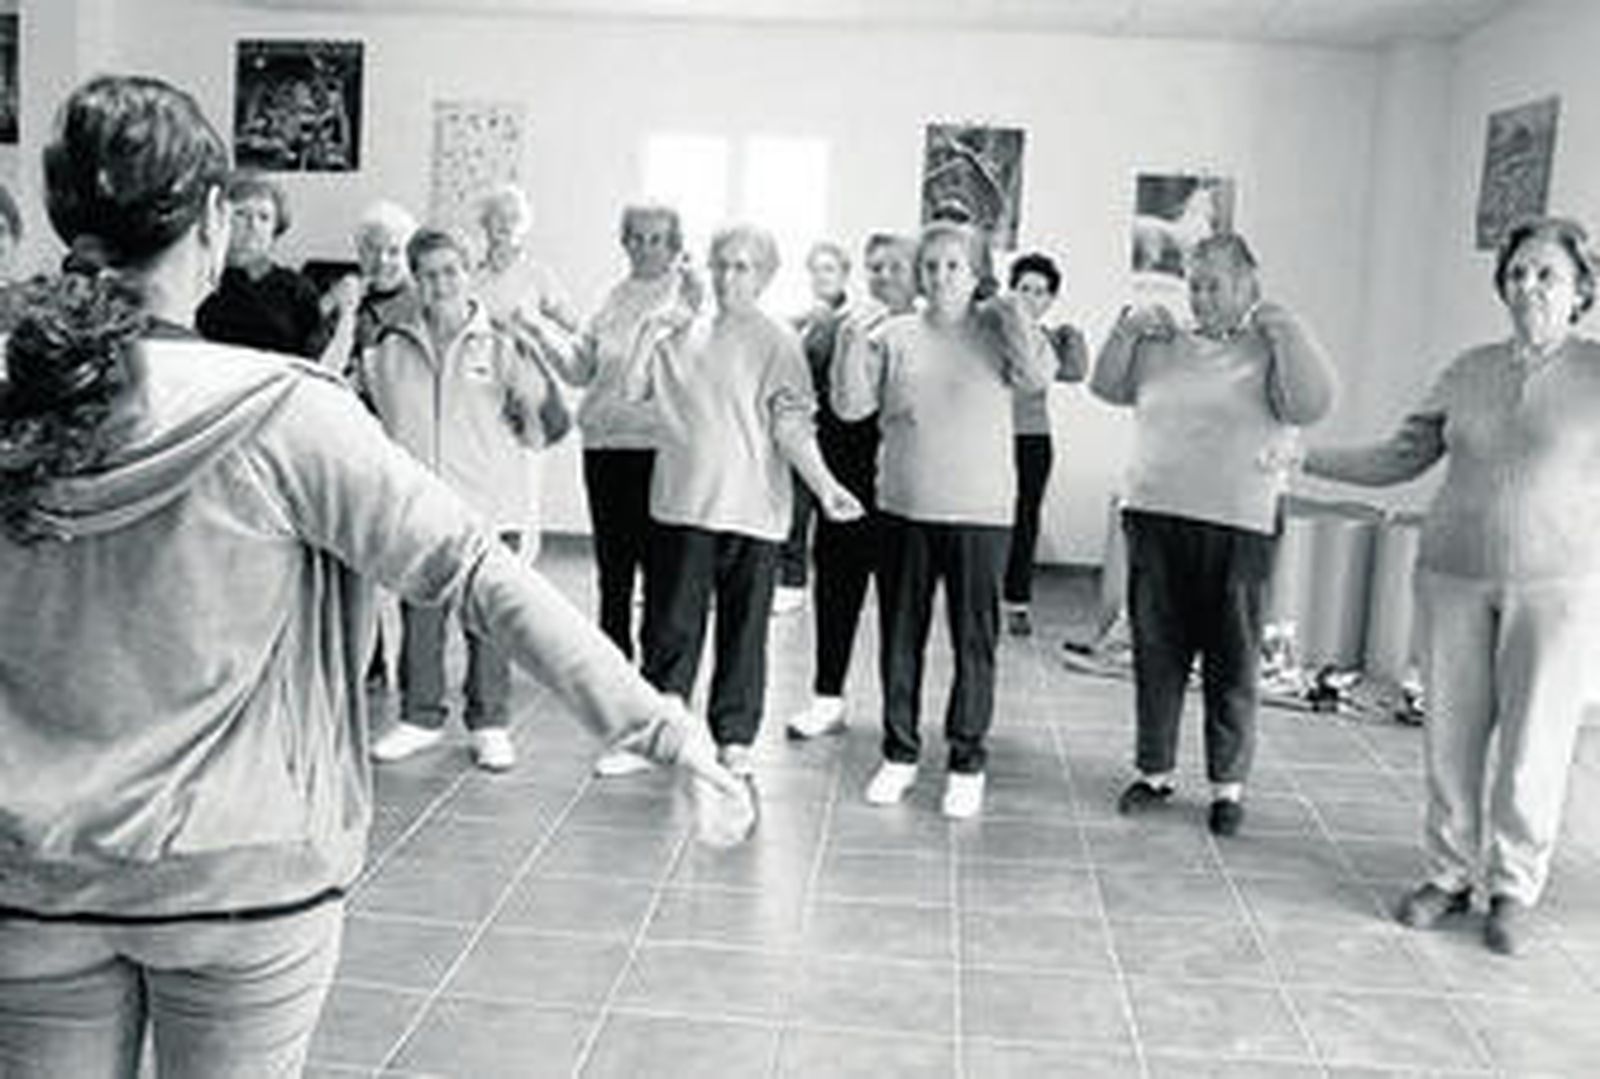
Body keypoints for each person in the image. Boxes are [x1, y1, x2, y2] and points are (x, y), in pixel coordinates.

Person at [0, 74, 744, 1079]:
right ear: (217, 219)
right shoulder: (286, 410)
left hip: (30, 882)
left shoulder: (17, 401)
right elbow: (478, 572)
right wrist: (659, 722)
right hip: (240, 880)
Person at [1303, 216, 1600, 955]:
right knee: (1450, 739)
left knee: (1536, 743)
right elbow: (1398, 457)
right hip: (1452, 576)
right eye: (1519, 272)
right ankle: (1447, 872)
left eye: (1548, 274)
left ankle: (1512, 886)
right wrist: (1306, 458)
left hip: (1556, 590)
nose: (1529, 285)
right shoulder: (1467, 370)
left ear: (1581, 291)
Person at [1091, 232, 1336, 837]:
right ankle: (1155, 773)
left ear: (1249, 285)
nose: (1201, 296)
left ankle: (1228, 787)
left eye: (1215, 284)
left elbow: (1311, 405)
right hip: (1155, 514)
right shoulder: (1161, 343)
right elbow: (1106, 386)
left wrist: (1289, 330)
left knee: (1232, 659)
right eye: (1194, 283)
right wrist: (1125, 331)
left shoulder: (1269, 346)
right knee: (1157, 652)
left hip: (1240, 525)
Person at [835, 221, 1052, 818]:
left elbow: (1036, 380)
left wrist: (1014, 314)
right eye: (930, 265)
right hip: (905, 508)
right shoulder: (895, 332)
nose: (939, 276)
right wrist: (854, 343)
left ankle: (967, 759)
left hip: (981, 515)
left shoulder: (1000, 329)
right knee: (900, 639)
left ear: (979, 272)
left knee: (973, 642)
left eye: (954, 265)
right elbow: (851, 407)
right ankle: (900, 753)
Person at [629, 224, 864, 777]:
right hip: (683, 505)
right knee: (670, 632)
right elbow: (633, 389)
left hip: (753, 511)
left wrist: (826, 486)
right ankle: (661, 734)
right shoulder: (681, 332)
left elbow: (792, 425)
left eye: (743, 267)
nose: (729, 276)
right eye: (722, 264)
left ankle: (733, 740)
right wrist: (652, 327)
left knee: (743, 631)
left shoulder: (778, 340)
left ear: (764, 276)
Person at [362, 227, 571, 774]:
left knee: (486, 621)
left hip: (485, 508)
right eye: (428, 273)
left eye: (451, 270)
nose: (441, 283)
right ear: (415, 279)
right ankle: (419, 718)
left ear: (468, 273)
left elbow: (549, 428)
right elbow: (361, 421)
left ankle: (490, 724)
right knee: (421, 615)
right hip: (417, 508)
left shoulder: (502, 345)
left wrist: (533, 398)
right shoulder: (387, 347)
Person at [561, 204, 702, 778]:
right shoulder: (613, 299)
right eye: (636, 238)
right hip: (604, 449)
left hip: (662, 451)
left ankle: (661, 701)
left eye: (657, 239)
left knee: (664, 575)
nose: (645, 248)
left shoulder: (688, 301)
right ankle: (617, 698)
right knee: (613, 574)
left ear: (674, 244)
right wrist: (538, 334)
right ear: (623, 243)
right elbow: (581, 370)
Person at [786, 232, 917, 740]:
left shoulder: (926, 331)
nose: (883, 276)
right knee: (836, 594)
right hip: (847, 482)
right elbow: (819, 402)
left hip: (906, 488)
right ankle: (827, 698)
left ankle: (898, 714)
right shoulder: (839, 326)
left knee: (901, 609)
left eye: (895, 267)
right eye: (875, 267)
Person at [471, 182, 580, 563]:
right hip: (481, 382)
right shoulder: (473, 275)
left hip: (525, 382)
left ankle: (523, 560)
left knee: (526, 472)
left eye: (513, 218)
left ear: (524, 225)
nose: (504, 225)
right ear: (484, 224)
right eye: (497, 218)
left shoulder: (537, 273)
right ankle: (486, 551)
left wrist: (533, 326)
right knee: (486, 466)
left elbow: (574, 324)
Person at [1001, 251, 1090, 637]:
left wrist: (1074, 339)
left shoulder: (1050, 339)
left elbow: (1075, 373)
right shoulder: (994, 332)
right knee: (988, 521)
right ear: (1012, 292)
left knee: (1025, 520)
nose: (1031, 297)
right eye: (1024, 289)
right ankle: (980, 596)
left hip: (1033, 440)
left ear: (1050, 299)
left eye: (1040, 292)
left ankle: (1017, 603)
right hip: (991, 439)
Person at [196, 172, 356, 365]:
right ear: (221, 221)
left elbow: (314, 357)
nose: (253, 225)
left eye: (264, 217)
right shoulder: (199, 279)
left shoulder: (296, 288)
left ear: (275, 228)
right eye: (241, 214)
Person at [774, 240, 853, 616]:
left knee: (809, 502)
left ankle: (795, 581)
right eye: (816, 269)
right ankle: (789, 578)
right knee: (793, 503)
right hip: (801, 419)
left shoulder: (845, 318)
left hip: (829, 425)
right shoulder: (808, 318)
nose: (821, 276)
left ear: (844, 275)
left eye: (829, 269)